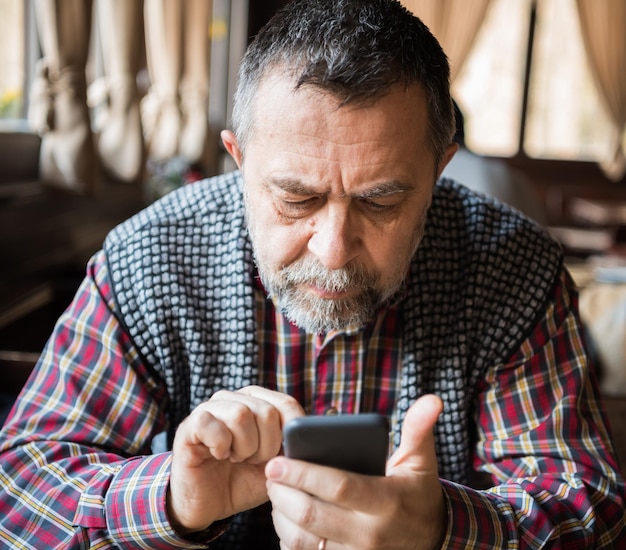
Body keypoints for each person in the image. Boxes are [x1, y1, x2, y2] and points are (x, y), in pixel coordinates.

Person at [0, 0, 624, 548]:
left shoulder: (512, 268)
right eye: (295, 198)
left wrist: (442, 532)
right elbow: (19, 493)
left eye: (381, 201)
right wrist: (171, 501)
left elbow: (590, 509)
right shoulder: (151, 254)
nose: (331, 250)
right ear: (239, 160)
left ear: (438, 171)